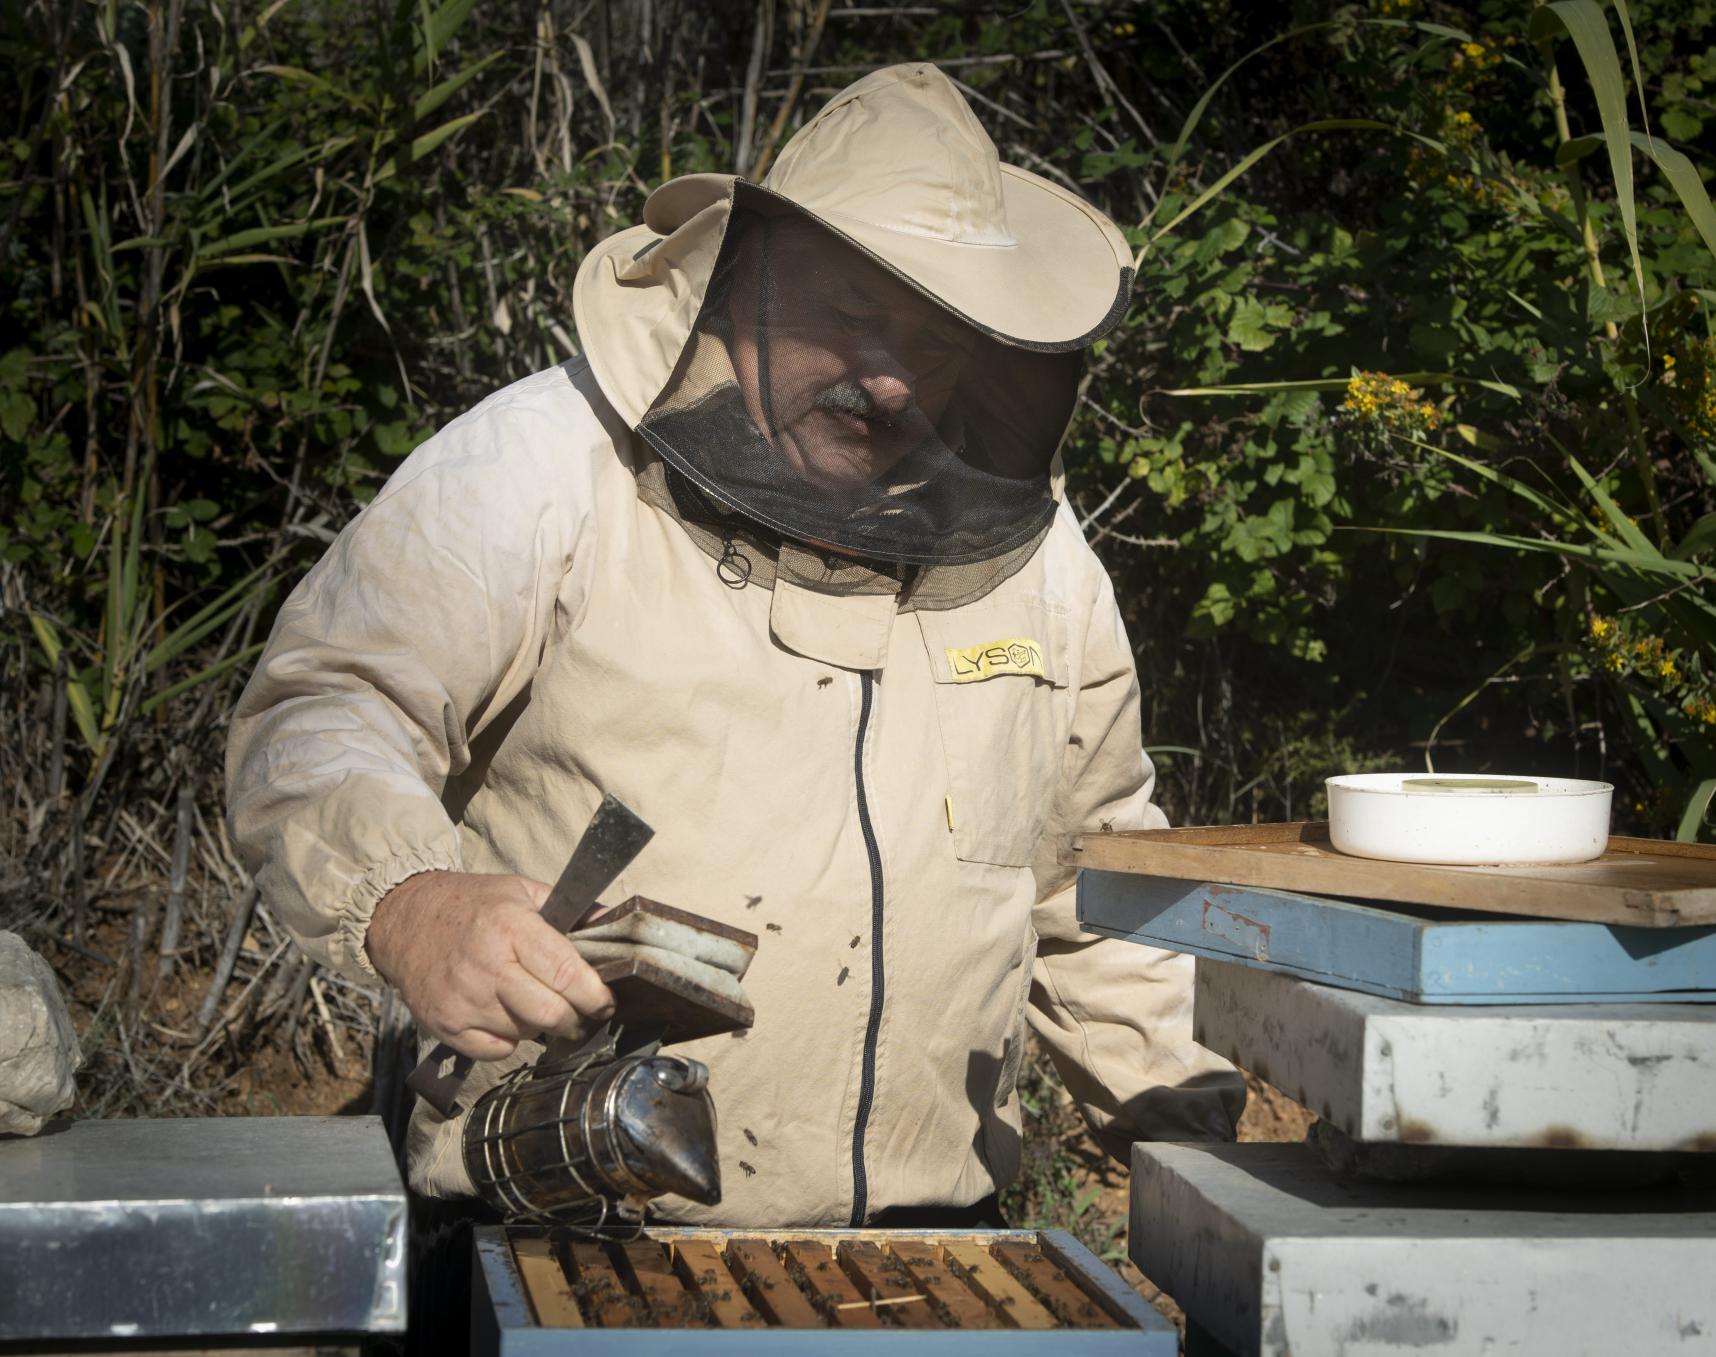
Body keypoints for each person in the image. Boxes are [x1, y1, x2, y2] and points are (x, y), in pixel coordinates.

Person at [225, 62, 1243, 1227]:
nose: (891, 376)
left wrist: (1194, 1136)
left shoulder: (1040, 564)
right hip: (566, 1222)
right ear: (747, 280)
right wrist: (411, 901)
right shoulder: (548, 463)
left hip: (931, 1255)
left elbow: (1093, 872)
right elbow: (324, 713)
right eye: (856, 314)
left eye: (939, 336)